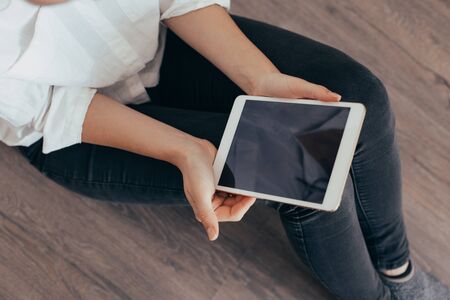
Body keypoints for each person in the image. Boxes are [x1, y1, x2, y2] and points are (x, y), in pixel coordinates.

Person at [0, 1, 448, 299]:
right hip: (73, 129)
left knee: (358, 98)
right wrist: (185, 149)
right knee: (298, 173)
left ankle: (396, 269)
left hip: (157, 46)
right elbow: (53, 107)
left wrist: (261, 80)